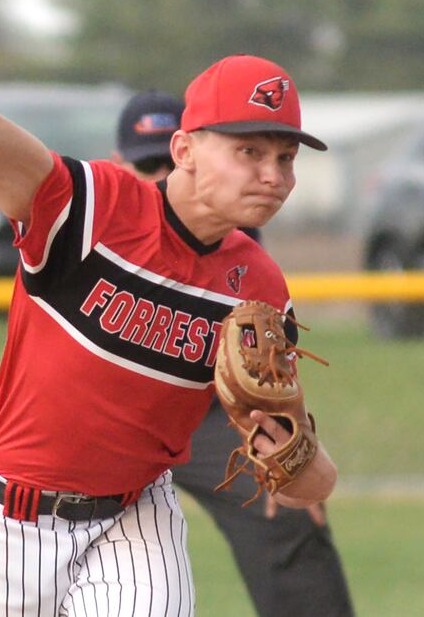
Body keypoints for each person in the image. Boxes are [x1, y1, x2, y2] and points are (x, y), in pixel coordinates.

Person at [0, 26, 338, 616]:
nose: (274, 176)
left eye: (285, 158)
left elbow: (308, 484)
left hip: (136, 519)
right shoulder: (86, 208)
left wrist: (293, 455)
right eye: (250, 152)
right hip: (10, 519)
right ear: (183, 150)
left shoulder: (259, 292)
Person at [112, 89, 355, 617]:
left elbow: (265, 364)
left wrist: (284, 445)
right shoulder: (99, 227)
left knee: (288, 512)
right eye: (144, 163)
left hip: (207, 417)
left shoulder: (234, 237)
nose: (156, 176)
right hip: (109, 419)